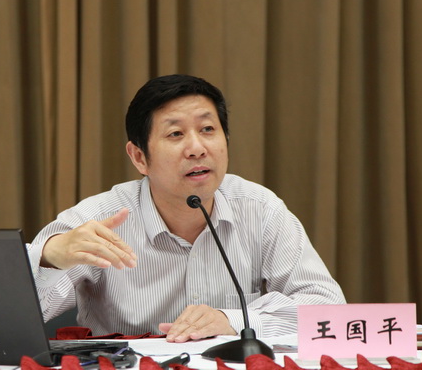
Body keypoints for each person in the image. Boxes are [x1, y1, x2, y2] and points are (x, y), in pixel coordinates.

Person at [27, 74, 346, 342]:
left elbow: (329, 310)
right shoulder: (98, 220)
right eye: (176, 134)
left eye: (208, 130)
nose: (197, 148)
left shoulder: (259, 209)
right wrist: (49, 257)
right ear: (139, 157)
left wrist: (233, 320)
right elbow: (12, 318)